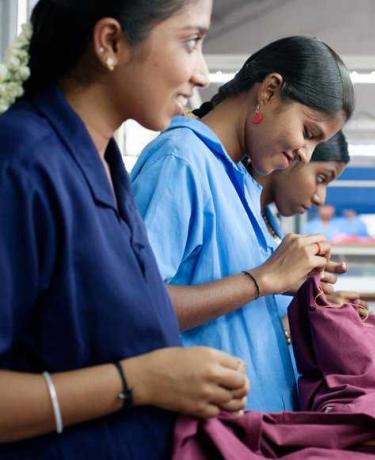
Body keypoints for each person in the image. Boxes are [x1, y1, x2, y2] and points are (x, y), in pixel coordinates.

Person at [0, 1, 250, 458]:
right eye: (190, 42)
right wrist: (140, 382)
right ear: (111, 43)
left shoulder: (106, 168)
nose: (202, 74)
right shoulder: (21, 165)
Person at [130, 36, 355, 411]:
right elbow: (134, 308)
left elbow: (228, 299)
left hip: (253, 431)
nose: (305, 154)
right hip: (205, 434)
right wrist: (262, 279)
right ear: (269, 91)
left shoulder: (240, 182)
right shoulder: (181, 161)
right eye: (308, 132)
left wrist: (301, 293)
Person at [248, 131, 369, 351]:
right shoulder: (233, 214)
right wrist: (293, 324)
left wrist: (320, 308)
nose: (320, 198)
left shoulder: (270, 224)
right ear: (295, 155)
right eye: (321, 178)